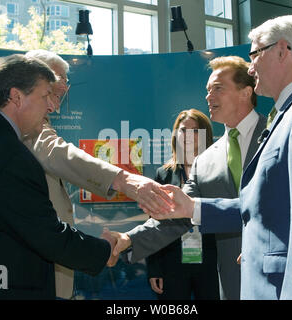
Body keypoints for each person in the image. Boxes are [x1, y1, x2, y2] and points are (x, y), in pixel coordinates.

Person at [146, 15, 292, 299]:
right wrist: (192, 208)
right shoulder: (287, 115)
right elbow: (260, 206)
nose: (251, 68)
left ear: (282, 50)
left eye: (255, 54)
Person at [0, 54, 116, 299]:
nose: (51, 106)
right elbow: (47, 235)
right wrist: (103, 250)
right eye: (45, 96)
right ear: (16, 97)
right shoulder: (7, 156)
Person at [109, 56, 267, 300]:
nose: (208, 97)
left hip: (279, 277)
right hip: (230, 284)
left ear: (246, 93)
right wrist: (129, 239)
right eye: (207, 90)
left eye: (217, 88)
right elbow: (179, 213)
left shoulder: (277, 134)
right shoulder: (205, 160)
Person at [23, 50, 173, 299]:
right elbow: (57, 153)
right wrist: (124, 180)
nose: (55, 106)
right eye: (52, 94)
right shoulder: (27, 126)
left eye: (60, 96)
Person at [146, 108, 218, 300]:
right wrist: (154, 268)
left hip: (211, 262)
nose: (188, 135)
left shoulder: (218, 172)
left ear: (205, 136)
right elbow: (154, 223)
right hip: (172, 263)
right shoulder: (163, 175)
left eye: (195, 131)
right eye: (183, 129)